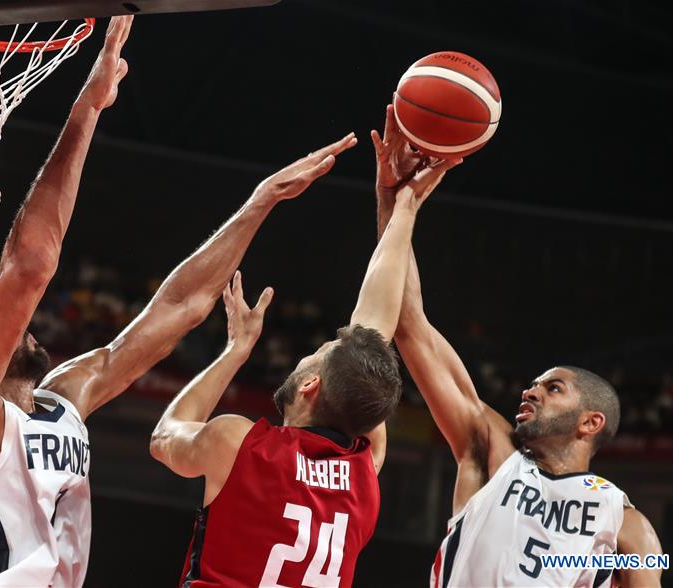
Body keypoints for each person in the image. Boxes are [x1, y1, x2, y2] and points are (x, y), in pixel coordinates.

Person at [0, 15, 358, 587]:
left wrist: (258, 204)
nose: (13, 322)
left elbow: (178, 310)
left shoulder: (61, 400)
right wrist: (86, 112)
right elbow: (28, 269)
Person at [371, 102, 664, 587]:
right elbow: (408, 323)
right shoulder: (491, 450)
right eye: (534, 385)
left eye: (553, 388)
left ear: (591, 422)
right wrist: (395, 201)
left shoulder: (628, 527)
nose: (530, 392)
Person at [150, 157, 456, 587]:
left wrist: (234, 351)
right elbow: (374, 329)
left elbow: (165, 436)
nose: (309, 354)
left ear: (311, 384)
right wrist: (404, 205)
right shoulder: (363, 476)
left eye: (318, 353)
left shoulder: (238, 444)